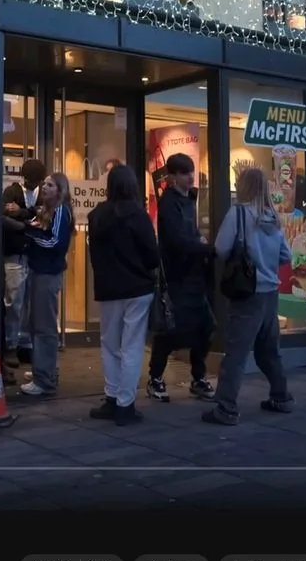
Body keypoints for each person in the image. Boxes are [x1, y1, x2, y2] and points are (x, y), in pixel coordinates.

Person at [203, 167, 293, 425]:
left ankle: (226, 407)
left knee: (236, 352)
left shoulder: (238, 214)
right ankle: (281, 396)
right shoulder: (273, 218)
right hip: (270, 294)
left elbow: (220, 248)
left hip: (246, 294)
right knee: (269, 350)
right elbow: (287, 256)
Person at [86, 165, 160, 425]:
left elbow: (93, 256)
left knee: (109, 344)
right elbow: (152, 255)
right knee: (132, 346)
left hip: (108, 288)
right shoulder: (138, 216)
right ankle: (125, 404)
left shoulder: (97, 216)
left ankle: (112, 397)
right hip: (137, 288)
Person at [148, 153, 217, 402]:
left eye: (191, 171)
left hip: (195, 274)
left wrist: (199, 244)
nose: (190, 177)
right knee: (173, 330)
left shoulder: (189, 200)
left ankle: (198, 377)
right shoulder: (169, 203)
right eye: (185, 173)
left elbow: (192, 235)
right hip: (178, 277)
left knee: (205, 327)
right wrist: (204, 247)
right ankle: (155, 377)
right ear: (173, 176)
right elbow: (179, 240)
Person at [16, 172, 73, 397]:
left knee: (44, 327)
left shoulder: (60, 211)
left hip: (47, 274)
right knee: (36, 324)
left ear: (60, 190)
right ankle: (43, 369)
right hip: (40, 271)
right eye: (45, 184)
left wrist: (29, 233)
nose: (45, 188)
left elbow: (54, 242)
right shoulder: (48, 211)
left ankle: (45, 378)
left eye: (50, 185)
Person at [2, 159, 46, 369]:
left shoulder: (42, 194)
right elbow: (4, 215)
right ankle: (10, 345)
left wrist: (21, 213)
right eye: (31, 180)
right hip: (15, 254)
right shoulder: (11, 191)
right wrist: (30, 218)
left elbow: (43, 214)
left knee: (28, 302)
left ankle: (24, 344)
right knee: (14, 301)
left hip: (33, 255)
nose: (32, 183)